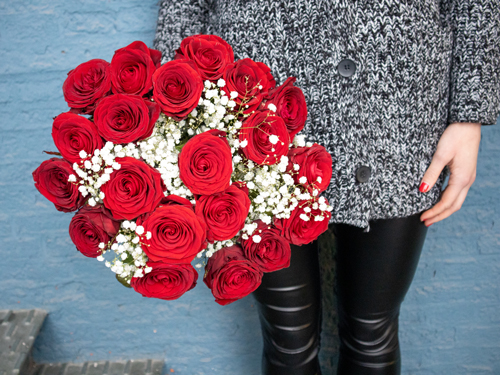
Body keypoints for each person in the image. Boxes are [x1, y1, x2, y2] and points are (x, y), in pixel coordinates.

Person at [154, 1, 500, 374]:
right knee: (289, 343)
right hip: (250, 106)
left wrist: (470, 113)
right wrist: (175, 116)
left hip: (396, 106)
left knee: (373, 333)